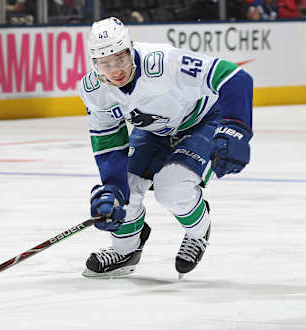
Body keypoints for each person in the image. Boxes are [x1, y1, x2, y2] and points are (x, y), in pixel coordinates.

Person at [79, 17, 253, 278]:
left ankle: (198, 231)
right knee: (125, 187)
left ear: (131, 49)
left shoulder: (164, 62)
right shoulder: (93, 89)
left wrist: (236, 128)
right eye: (105, 64)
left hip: (203, 120)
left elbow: (234, 77)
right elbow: (107, 140)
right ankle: (125, 250)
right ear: (95, 63)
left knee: (171, 188)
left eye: (120, 59)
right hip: (156, 130)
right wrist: (113, 187)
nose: (115, 70)